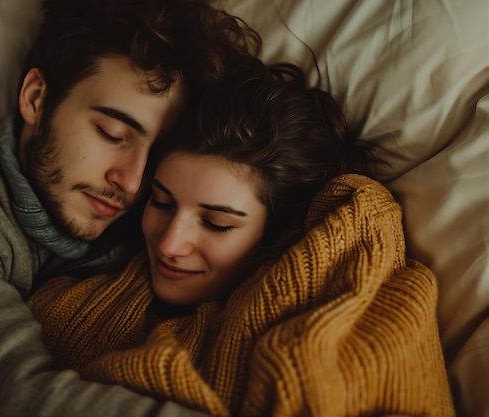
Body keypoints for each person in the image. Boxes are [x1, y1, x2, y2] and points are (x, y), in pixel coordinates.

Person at [0, 0, 261, 416]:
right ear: (36, 98)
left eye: (157, 154)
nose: (131, 181)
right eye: (112, 133)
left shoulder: (148, 231)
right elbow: (12, 391)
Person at [28, 59, 455, 416]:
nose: (170, 243)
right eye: (161, 201)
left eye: (217, 224)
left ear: (276, 231)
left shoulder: (336, 284)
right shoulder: (71, 300)